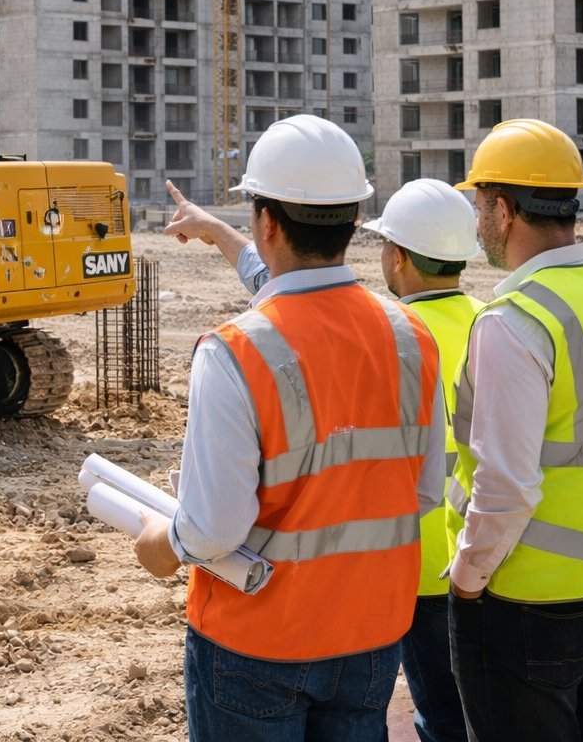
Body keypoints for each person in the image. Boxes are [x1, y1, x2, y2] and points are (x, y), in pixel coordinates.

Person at [134, 114, 443, 741]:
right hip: (371, 635)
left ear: (267, 222)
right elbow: (423, 491)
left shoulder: (234, 352)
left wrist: (160, 545)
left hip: (257, 645)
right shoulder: (411, 338)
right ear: (355, 219)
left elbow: (213, 526)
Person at [448, 119, 583, 741]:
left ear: (504, 208)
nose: (476, 220)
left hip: (530, 605)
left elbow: (506, 486)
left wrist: (467, 581)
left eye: (478, 204)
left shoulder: (513, 321)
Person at [362, 179, 483, 742]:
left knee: (439, 714)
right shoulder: (494, 319)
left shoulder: (392, 338)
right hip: (488, 559)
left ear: (400, 256)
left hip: (416, 564)